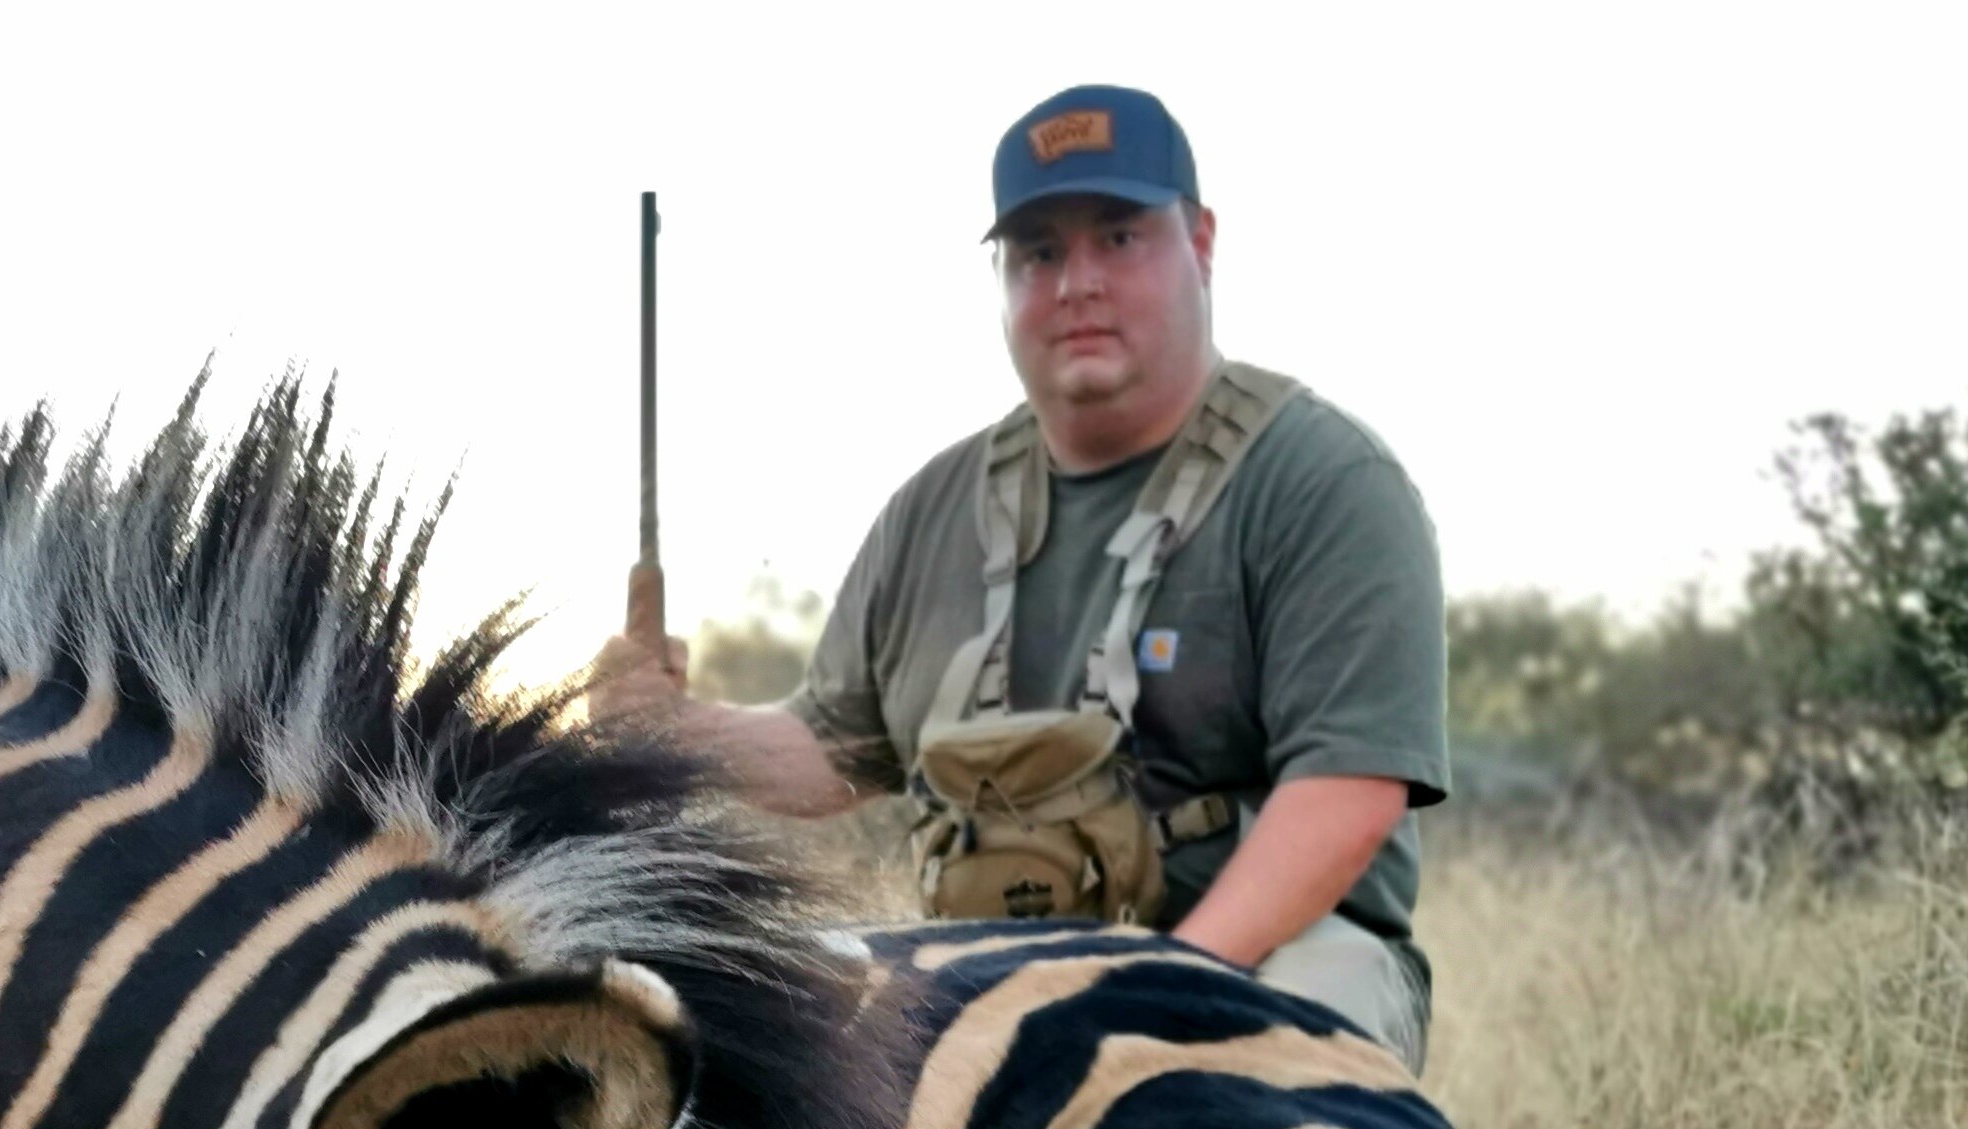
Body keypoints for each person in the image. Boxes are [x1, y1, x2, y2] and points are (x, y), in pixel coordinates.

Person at [591, 84, 1447, 1069]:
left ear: (1200, 242)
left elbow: (1346, 790)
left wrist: (1157, 993)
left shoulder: (1325, 479)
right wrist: (667, 735)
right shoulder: (929, 509)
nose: (1076, 281)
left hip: (1256, 959)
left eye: (1117, 238)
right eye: (1038, 252)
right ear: (1002, 277)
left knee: (1298, 1025)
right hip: (990, 965)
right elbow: (831, 751)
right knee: (767, 1064)